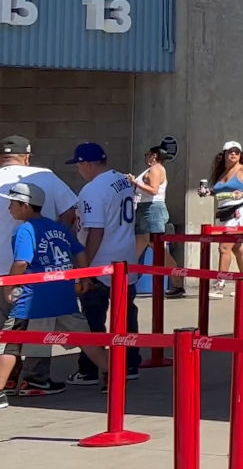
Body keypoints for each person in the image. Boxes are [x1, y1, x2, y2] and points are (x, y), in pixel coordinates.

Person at [3, 182, 113, 403]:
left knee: (9, 343)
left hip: (33, 299)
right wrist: (83, 277)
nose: (9, 209)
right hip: (64, 297)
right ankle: (112, 376)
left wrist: (9, 286)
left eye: (13, 204)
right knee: (87, 339)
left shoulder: (25, 230)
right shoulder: (58, 227)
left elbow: (22, 263)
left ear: (25, 206)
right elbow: (80, 252)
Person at [69, 143, 143, 385]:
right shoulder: (122, 181)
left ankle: (92, 368)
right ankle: (130, 362)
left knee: (93, 318)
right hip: (125, 258)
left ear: (88, 164)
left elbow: (96, 231)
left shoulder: (92, 190)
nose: (79, 170)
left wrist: (85, 269)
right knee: (126, 315)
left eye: (79, 165)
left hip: (101, 263)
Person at [205, 142, 243, 297]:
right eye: (230, 152)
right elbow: (221, 193)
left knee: (224, 247)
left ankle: (220, 283)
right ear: (224, 154)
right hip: (224, 213)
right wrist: (208, 192)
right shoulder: (222, 172)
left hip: (240, 211)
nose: (233, 155)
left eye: (237, 152)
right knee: (237, 248)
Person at [0, 135, 79, 229]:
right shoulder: (46, 176)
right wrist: (58, 236)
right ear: (27, 158)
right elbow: (70, 212)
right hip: (41, 243)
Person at [132, 145, 170, 270]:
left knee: (158, 247)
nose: (145, 157)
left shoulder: (156, 169)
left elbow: (153, 190)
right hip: (145, 208)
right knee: (146, 242)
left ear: (154, 155)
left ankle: (176, 279)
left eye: (147, 154)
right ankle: (129, 274)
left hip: (152, 209)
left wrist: (135, 182)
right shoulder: (152, 169)